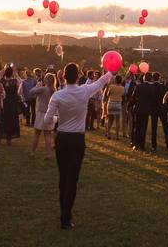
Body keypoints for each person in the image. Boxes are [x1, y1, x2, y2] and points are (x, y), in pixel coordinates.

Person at [43, 62, 113, 229]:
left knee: (63, 176)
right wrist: (111, 70)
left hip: (62, 139)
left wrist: (57, 119)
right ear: (78, 77)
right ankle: (66, 216)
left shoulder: (58, 96)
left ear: (64, 77)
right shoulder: (84, 91)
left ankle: (64, 214)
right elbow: (101, 81)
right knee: (72, 179)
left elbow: (47, 120)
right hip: (77, 140)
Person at [30, 72, 57, 158]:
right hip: (50, 113)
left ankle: (32, 152)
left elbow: (31, 91)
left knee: (37, 134)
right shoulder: (54, 90)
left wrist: (37, 85)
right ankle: (48, 154)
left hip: (41, 113)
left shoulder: (43, 89)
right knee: (48, 135)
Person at [0, 64, 22, 144]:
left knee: (3, 119)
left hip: (4, 102)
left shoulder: (2, 81)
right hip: (12, 103)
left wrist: (3, 69)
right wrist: (16, 73)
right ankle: (9, 138)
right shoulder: (15, 81)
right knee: (11, 120)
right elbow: (20, 82)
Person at [104, 75, 125, 139]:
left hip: (111, 103)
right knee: (117, 120)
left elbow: (108, 94)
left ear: (115, 80)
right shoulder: (122, 88)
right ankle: (117, 136)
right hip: (118, 103)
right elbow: (123, 96)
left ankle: (108, 134)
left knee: (110, 119)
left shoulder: (111, 86)